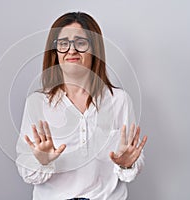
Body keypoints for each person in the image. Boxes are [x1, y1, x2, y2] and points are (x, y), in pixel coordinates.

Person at [16, 12, 148, 200]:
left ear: (95, 50)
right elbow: (26, 170)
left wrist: (127, 164)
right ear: (55, 52)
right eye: (63, 43)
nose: (71, 51)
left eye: (80, 43)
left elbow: (132, 160)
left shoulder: (119, 100)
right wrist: (42, 161)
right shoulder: (37, 103)